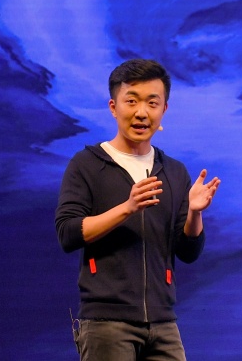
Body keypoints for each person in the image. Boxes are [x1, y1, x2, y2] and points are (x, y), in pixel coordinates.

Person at [56, 58, 221, 361]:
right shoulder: (87, 165)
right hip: (107, 323)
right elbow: (68, 233)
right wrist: (128, 208)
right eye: (131, 101)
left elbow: (188, 251)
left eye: (152, 103)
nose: (142, 112)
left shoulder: (174, 172)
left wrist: (195, 213)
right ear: (113, 107)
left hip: (163, 321)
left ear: (164, 110)